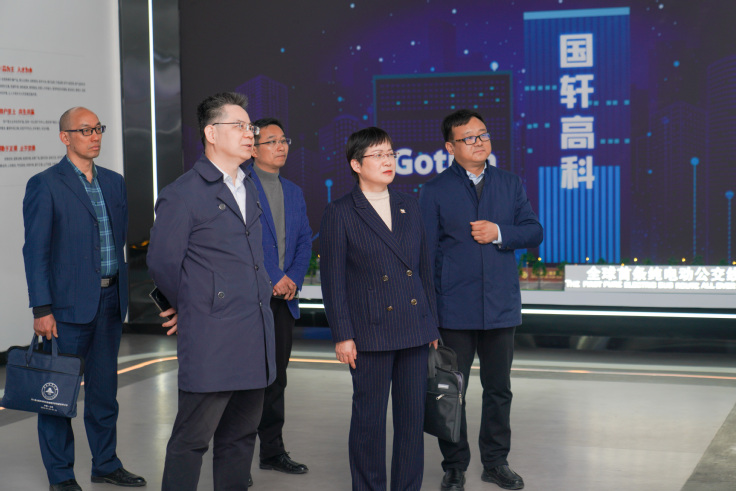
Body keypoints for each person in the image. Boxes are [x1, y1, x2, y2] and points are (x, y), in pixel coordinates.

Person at [147, 92, 275, 491]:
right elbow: (162, 263)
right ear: (211, 133)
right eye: (239, 126)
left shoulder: (249, 186)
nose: (250, 134)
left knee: (241, 438)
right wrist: (191, 305)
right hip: (212, 337)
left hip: (255, 332)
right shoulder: (183, 193)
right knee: (192, 439)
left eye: (250, 127)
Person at [419, 109, 543, 491]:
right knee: (451, 392)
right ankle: (454, 466)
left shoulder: (509, 183)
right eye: (469, 137)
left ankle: (496, 462)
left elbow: (534, 231)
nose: (479, 142)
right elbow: (425, 254)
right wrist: (428, 315)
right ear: (450, 147)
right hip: (453, 310)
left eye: (483, 134)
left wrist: (499, 232)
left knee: (499, 390)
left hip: (500, 307)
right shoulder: (435, 190)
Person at [22, 107, 145, 491]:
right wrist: (42, 308)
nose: (95, 136)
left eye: (98, 129)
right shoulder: (45, 184)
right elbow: (36, 252)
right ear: (65, 137)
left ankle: (105, 464)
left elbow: (119, 241)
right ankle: (61, 477)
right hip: (65, 310)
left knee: (105, 395)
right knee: (57, 396)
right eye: (85, 130)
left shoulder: (114, 182)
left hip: (110, 303)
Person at [320, 127, 439, 491]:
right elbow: (333, 280)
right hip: (370, 332)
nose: (388, 161)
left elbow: (423, 269)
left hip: (415, 328)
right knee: (369, 422)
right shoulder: (341, 211)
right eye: (378, 155)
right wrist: (343, 334)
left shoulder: (409, 204)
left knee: (411, 422)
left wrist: (432, 325)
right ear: (356, 164)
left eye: (390, 153)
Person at [249, 118, 312, 477]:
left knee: (277, 379)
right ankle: (236, 457)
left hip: (284, 299)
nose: (281, 146)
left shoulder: (293, 191)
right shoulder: (240, 186)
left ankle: (272, 451)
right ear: (253, 148)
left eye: (284, 140)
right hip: (251, 298)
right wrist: (275, 277)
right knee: (245, 380)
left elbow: (304, 240)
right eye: (272, 141)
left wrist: (293, 280)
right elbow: (248, 241)